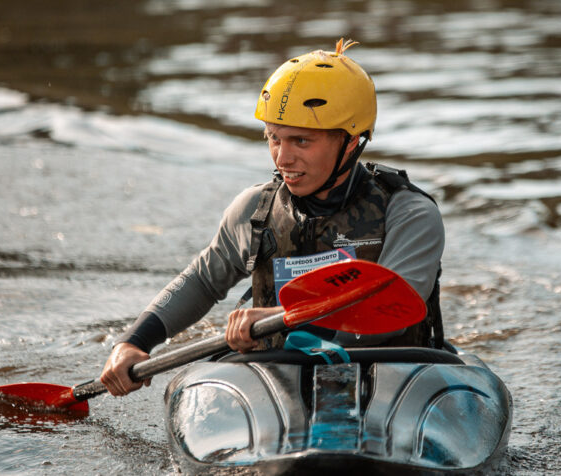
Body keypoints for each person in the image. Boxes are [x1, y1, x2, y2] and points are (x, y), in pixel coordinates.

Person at [99, 38, 445, 396]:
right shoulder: (254, 211)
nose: (282, 158)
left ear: (351, 141)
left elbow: (393, 309)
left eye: (301, 141)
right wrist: (133, 341)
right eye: (274, 138)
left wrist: (284, 320)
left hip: (389, 380)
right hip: (277, 382)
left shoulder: (408, 214)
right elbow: (202, 282)